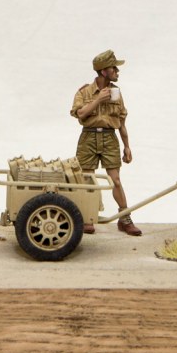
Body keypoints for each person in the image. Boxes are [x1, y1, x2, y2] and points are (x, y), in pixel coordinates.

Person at [70, 49, 142, 236]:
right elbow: (80, 113)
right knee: (87, 179)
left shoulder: (117, 93)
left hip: (110, 138)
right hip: (88, 137)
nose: (117, 71)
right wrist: (98, 99)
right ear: (103, 71)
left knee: (115, 180)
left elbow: (122, 122)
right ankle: (87, 217)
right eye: (114, 68)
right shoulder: (84, 91)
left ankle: (125, 218)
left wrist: (127, 146)